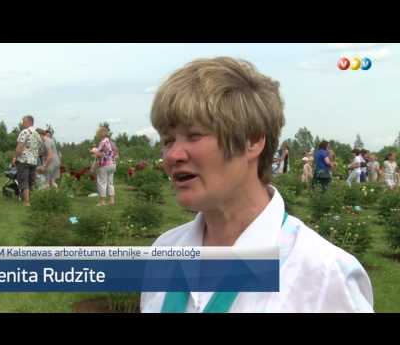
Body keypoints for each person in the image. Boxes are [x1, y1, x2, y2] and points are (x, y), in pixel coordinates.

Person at [140, 57, 373, 313]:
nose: (173, 155)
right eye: (168, 140)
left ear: (252, 142)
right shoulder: (164, 252)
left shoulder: (323, 275)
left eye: (194, 135)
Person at [12, 115, 43, 206]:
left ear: (29, 122)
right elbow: (41, 148)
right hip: (34, 161)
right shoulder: (37, 134)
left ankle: (26, 202)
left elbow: (20, 147)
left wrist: (14, 157)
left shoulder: (24, 132)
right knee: (31, 181)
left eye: (23, 121)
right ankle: (31, 199)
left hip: (24, 160)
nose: (22, 123)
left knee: (24, 180)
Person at [91, 126, 116, 206]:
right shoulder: (110, 142)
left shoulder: (103, 142)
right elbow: (113, 151)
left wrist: (93, 151)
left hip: (104, 165)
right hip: (112, 163)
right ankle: (112, 200)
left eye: (97, 133)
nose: (97, 134)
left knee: (102, 182)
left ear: (101, 133)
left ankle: (102, 202)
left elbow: (100, 154)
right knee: (110, 183)